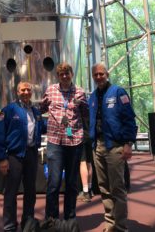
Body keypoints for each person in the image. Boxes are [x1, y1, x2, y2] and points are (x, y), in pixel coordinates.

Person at [89, 63, 137, 232]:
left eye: (101, 74)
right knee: (103, 188)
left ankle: (121, 227)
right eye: (95, 75)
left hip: (115, 147)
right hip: (98, 147)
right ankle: (110, 224)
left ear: (107, 74)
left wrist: (128, 143)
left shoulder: (118, 92)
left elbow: (129, 119)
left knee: (117, 188)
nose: (98, 77)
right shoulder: (92, 97)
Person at [40, 62, 89, 224]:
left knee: (72, 183)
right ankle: (51, 218)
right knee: (53, 183)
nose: (65, 76)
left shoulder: (80, 92)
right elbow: (41, 108)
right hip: (55, 141)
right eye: (62, 74)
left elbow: (86, 114)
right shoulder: (51, 90)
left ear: (71, 74)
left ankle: (70, 217)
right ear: (58, 76)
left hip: (74, 141)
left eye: (67, 73)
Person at [0, 81, 45, 232]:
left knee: (30, 191)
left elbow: (42, 128)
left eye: (28, 90)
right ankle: (10, 226)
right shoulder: (9, 110)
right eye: (23, 90)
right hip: (14, 156)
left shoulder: (36, 112)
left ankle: (27, 223)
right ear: (17, 92)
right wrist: (2, 158)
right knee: (11, 192)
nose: (26, 92)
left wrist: (61, 122)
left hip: (31, 154)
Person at [77, 132, 94, 202]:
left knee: (82, 162)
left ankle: (85, 193)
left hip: (81, 136)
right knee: (89, 163)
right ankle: (89, 190)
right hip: (90, 136)